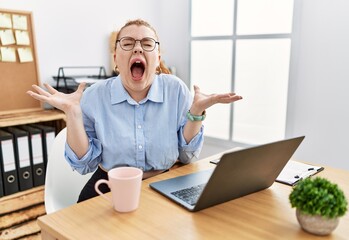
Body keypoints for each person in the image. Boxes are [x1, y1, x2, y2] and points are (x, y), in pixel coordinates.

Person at [27, 19, 242, 202]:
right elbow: (85, 165)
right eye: (127, 43)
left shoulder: (175, 89)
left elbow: (187, 157)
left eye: (147, 43)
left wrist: (195, 112)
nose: (138, 48)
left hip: (163, 183)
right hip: (108, 185)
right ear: (116, 60)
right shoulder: (94, 95)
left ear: (157, 60)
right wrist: (72, 114)